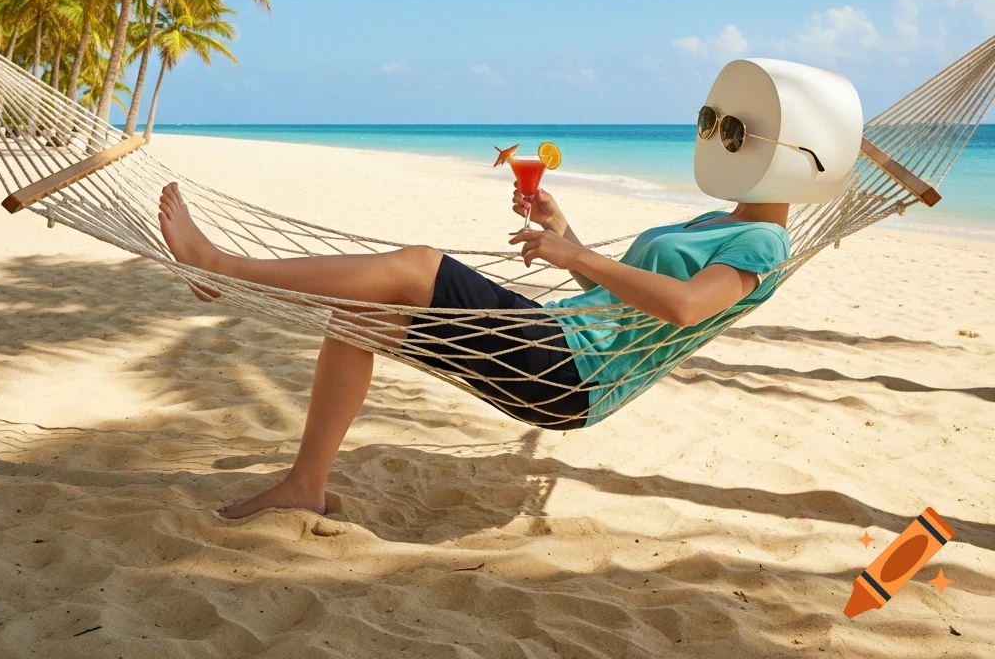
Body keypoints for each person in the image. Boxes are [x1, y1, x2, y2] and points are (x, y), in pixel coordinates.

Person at [158, 56, 864, 519]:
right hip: (557, 341)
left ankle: (221, 270)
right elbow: (632, 297)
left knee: (417, 265)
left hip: (570, 371)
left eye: (733, 129)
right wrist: (569, 235)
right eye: (714, 124)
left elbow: (683, 308)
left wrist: (573, 258)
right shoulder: (721, 219)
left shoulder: (766, 242)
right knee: (356, 315)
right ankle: (305, 486)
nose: (716, 135)